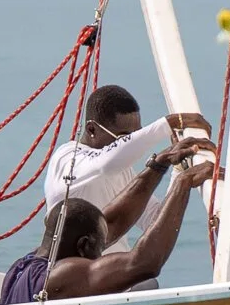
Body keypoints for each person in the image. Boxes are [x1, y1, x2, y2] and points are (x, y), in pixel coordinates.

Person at [2, 136, 216, 305]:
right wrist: (183, 184)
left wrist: (158, 166)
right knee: (145, 282)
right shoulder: (62, 276)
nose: (103, 248)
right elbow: (143, 263)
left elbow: (112, 222)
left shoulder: (22, 267)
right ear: (83, 245)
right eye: (99, 245)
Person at [44, 85, 211, 254]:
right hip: (73, 275)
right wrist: (169, 124)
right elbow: (105, 165)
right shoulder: (68, 159)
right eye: (126, 138)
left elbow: (153, 220)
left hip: (113, 275)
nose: (132, 143)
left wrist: (178, 171)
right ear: (91, 129)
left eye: (137, 135)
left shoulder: (122, 170)